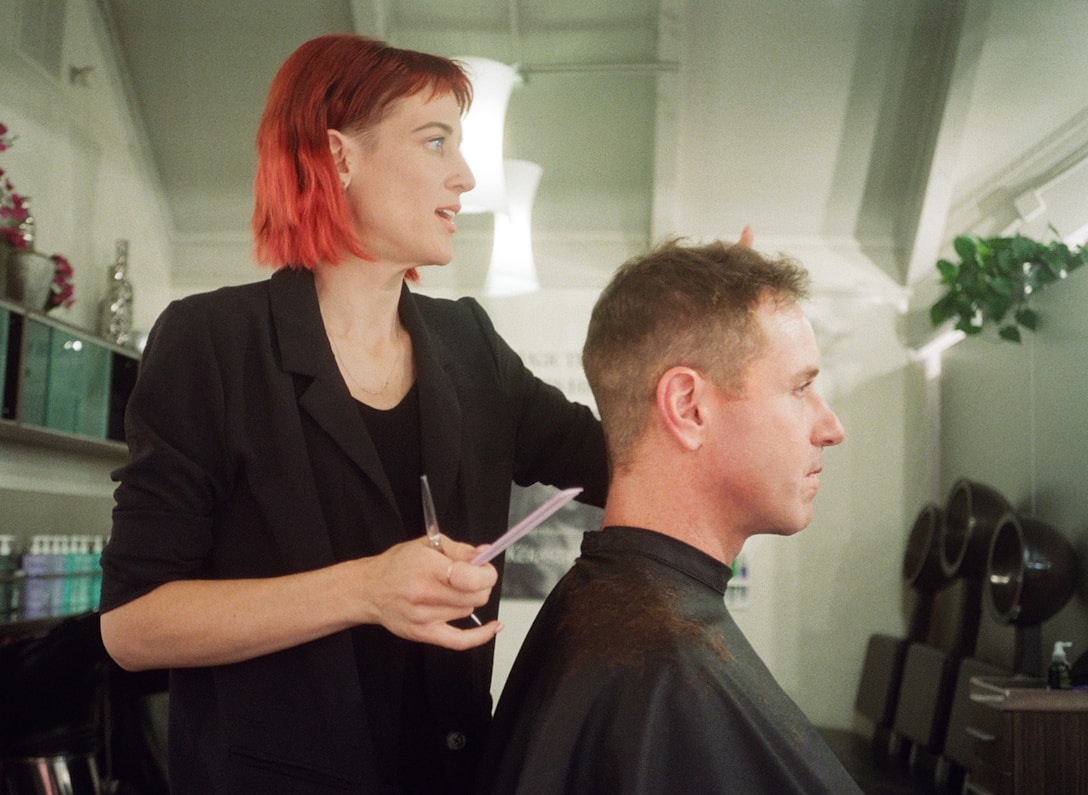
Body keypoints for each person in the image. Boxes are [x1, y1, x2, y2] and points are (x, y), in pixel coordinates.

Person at [97, 34, 608, 793]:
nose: (466, 177)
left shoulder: (470, 344)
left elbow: (614, 460)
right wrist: (367, 589)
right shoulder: (213, 342)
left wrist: (712, 337)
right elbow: (133, 626)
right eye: (435, 141)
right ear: (338, 158)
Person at [477, 239, 861, 794]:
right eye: (800, 387)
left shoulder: (614, 622)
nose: (831, 428)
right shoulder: (660, 671)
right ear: (687, 407)